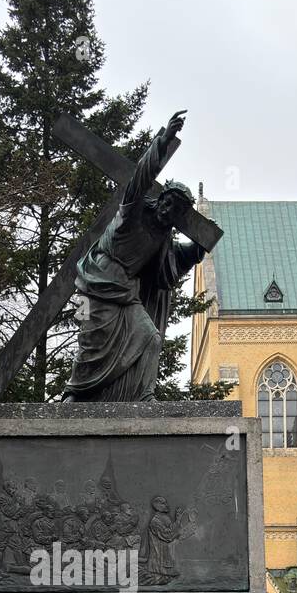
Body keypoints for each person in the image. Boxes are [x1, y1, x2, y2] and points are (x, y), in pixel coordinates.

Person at [63, 110, 206, 403]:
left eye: (176, 210)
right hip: (99, 280)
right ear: (161, 200)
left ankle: (145, 395)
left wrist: (196, 250)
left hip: (126, 292)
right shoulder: (133, 213)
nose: (168, 212)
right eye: (167, 204)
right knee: (92, 343)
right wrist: (163, 140)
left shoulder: (163, 237)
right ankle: (73, 395)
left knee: (150, 337)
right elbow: (139, 180)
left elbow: (168, 267)